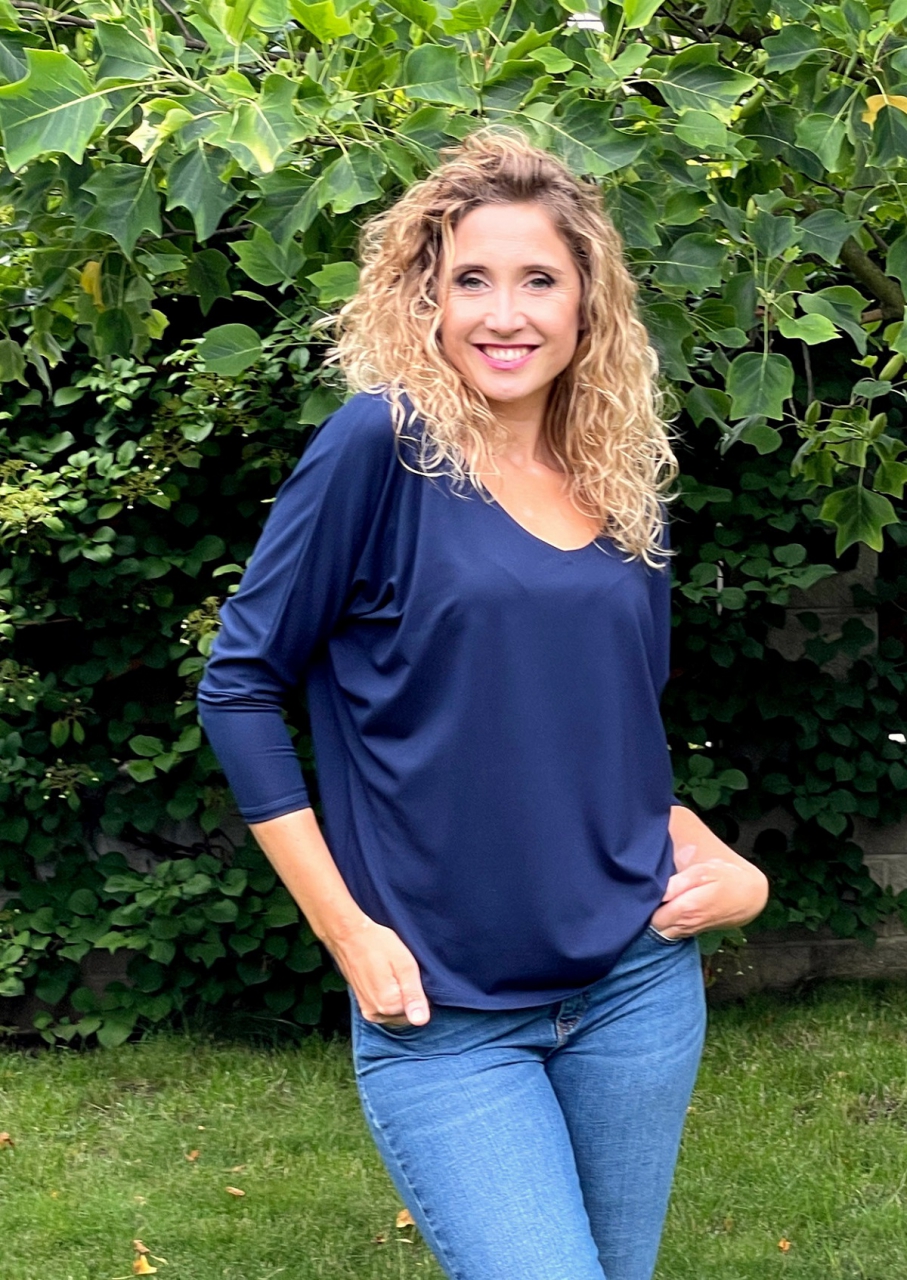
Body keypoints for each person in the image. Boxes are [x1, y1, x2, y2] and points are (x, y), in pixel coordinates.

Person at [197, 129, 769, 1280]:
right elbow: (241, 685)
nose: (504, 314)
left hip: (635, 984)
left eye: (538, 279)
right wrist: (347, 930)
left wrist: (719, 859)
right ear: (426, 297)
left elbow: (609, 726)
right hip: (444, 1010)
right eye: (471, 279)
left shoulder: (619, 474)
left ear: (587, 303)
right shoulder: (379, 447)